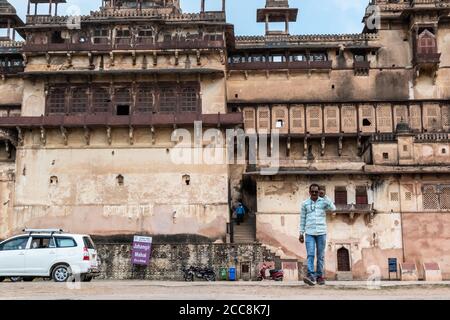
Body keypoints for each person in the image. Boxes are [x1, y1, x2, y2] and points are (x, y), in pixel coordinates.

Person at [299, 184, 336, 286]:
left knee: (320, 256)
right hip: (309, 233)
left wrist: (325, 197)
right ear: (309, 192)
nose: (314, 193)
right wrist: (301, 233)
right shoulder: (305, 204)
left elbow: (333, 208)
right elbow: (302, 219)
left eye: (316, 191)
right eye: (313, 191)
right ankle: (311, 275)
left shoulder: (323, 201)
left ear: (319, 192)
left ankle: (319, 276)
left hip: (321, 232)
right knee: (310, 254)